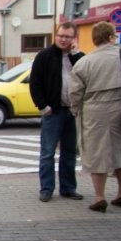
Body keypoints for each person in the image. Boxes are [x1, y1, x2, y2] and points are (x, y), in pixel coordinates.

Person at [69, 21, 121, 212]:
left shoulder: (84, 62)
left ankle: (100, 197)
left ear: (94, 40)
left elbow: (75, 93)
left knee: (96, 154)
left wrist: (76, 110)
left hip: (93, 111)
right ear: (112, 37)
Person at [29, 22, 85, 203]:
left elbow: (85, 76)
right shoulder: (44, 56)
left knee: (69, 152)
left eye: (67, 36)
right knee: (47, 152)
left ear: (74, 38)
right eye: (60, 35)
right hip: (53, 111)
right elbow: (35, 83)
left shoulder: (79, 57)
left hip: (73, 111)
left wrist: (76, 55)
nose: (63, 39)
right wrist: (43, 106)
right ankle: (46, 189)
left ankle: (68, 188)